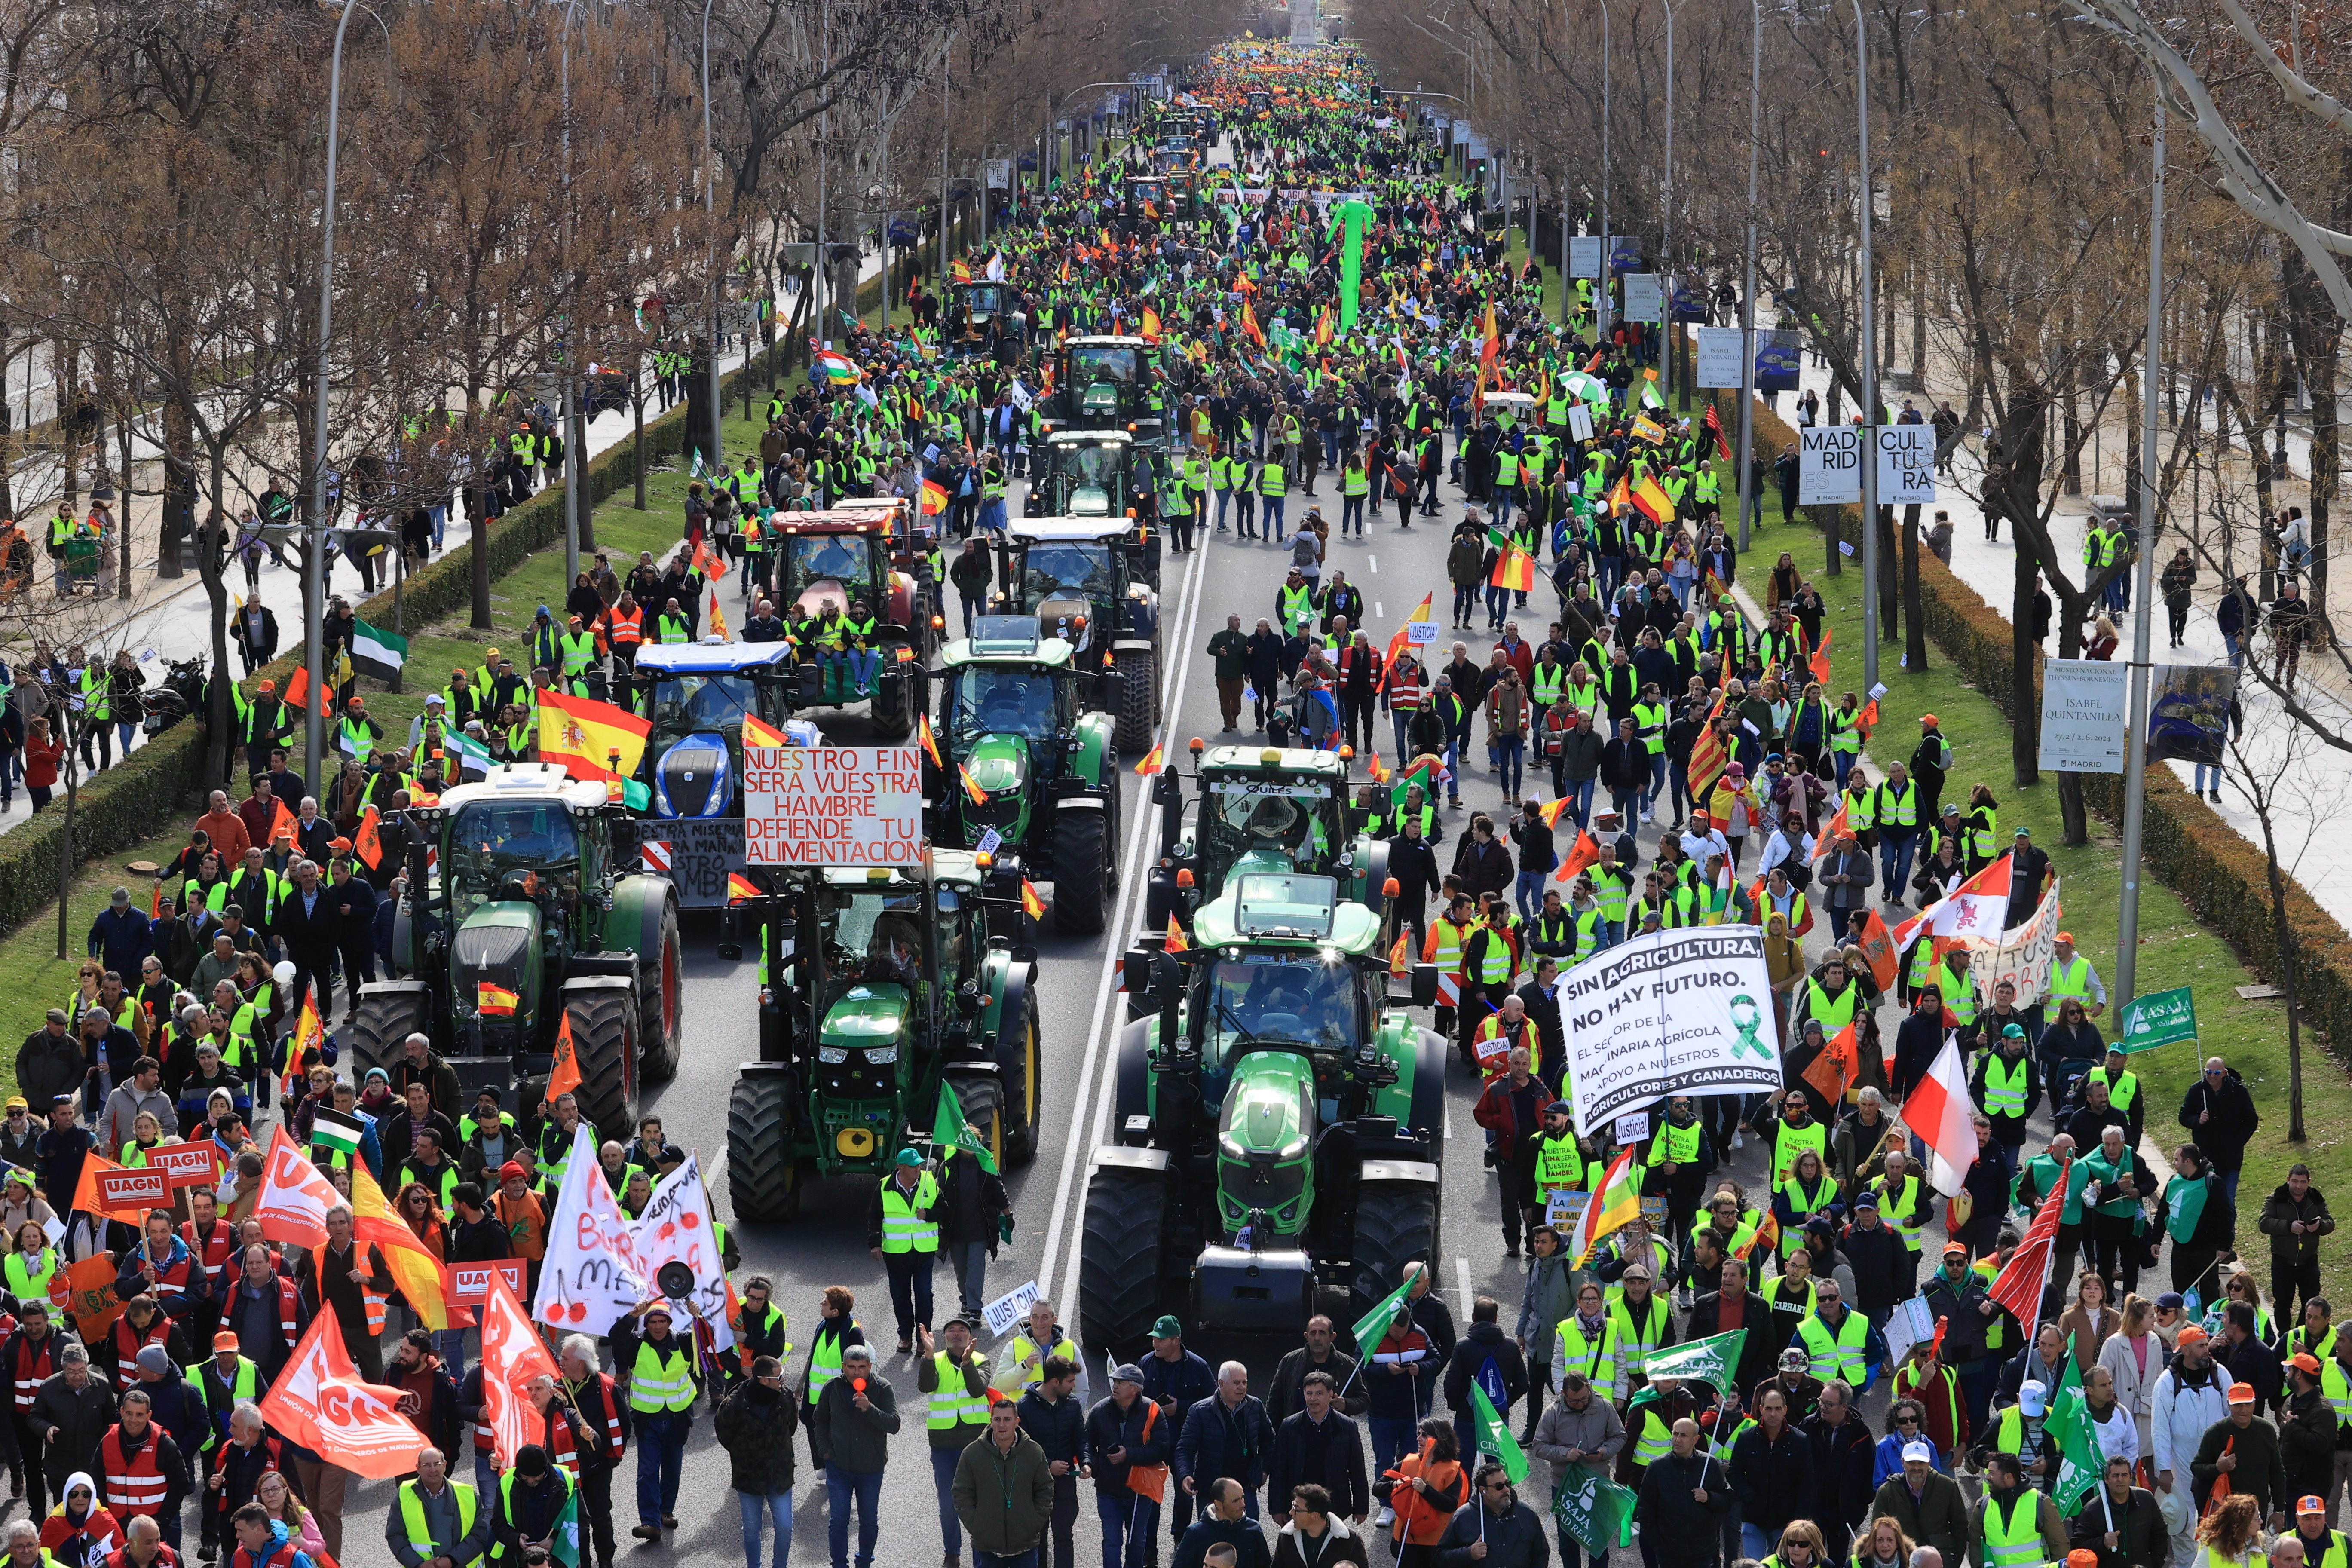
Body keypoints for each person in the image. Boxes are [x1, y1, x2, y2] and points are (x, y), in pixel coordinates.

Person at [620, 1302, 698, 1542]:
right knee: (648, 1471)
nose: (658, 1327)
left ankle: (666, 1511)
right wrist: (633, 1315)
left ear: (669, 1323)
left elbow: (708, 1340)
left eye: (662, 1321)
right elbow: (617, 1336)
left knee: (672, 1469)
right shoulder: (636, 1343)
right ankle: (650, 1522)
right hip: (647, 1420)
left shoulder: (683, 1341)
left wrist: (698, 1317)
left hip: (677, 1418)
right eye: (652, 1322)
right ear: (646, 1325)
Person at [920, 1315, 995, 1567]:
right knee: (947, 1505)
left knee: (979, 1502)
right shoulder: (934, 1359)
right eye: (951, 1330)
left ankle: (981, 1554)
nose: (956, 1334)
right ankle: (952, 1553)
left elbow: (977, 1390)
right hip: (943, 1445)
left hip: (976, 1446)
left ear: (970, 1337)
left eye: (962, 1330)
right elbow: (926, 1386)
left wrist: (967, 1364)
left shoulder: (980, 1360)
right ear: (944, 1338)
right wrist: (928, 1355)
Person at [814, 1344, 897, 1568]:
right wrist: (825, 1452)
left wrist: (870, 1409)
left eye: (862, 1367)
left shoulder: (882, 1388)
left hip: (871, 1469)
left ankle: (864, 1562)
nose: (857, 1372)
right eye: (851, 1367)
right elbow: (820, 1421)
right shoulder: (832, 1387)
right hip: (839, 1468)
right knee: (838, 1521)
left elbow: (894, 1424)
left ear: (870, 1366)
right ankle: (839, 1564)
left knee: (869, 1521)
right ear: (843, 1366)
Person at [1529, 1372, 1623, 1568]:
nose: (1580, 1404)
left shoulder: (1605, 1407)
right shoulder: (1553, 1412)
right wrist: (1565, 1453)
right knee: (1567, 1544)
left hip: (1598, 1486)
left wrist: (1604, 1452)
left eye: (1584, 1399)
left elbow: (1620, 1437)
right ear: (1564, 1394)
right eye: (1574, 1401)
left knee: (1598, 1544)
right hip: (1565, 1487)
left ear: (1589, 1389)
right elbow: (1539, 1446)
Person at [714, 1355, 798, 1568]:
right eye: (779, 1377)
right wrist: (744, 1454)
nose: (783, 1381)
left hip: (779, 1475)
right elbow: (724, 1433)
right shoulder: (735, 1404)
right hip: (749, 1476)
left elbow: (791, 1428)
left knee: (785, 1528)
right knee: (752, 1529)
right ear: (764, 1380)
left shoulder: (786, 1399)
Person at [952, 1395, 1055, 1568]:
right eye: (997, 1419)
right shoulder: (972, 1454)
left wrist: (1034, 1523)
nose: (1002, 1425)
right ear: (991, 1421)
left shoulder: (1034, 1452)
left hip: (1025, 1547)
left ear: (1017, 1422)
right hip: (987, 1548)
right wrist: (976, 1526)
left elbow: (1045, 1489)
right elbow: (961, 1492)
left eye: (1007, 1419)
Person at [1088, 1362, 1172, 1568]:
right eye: (1115, 1381)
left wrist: (1128, 1455)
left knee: (1136, 1541)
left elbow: (1161, 1449)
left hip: (1139, 1491)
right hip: (1108, 1489)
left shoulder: (1153, 1411)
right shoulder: (1100, 1410)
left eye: (1121, 1382)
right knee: (1111, 1540)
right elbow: (1087, 1443)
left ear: (1135, 1389)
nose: (1115, 1386)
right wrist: (1094, 1467)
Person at [1017, 1357, 1087, 1568]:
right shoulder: (1024, 1407)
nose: (1074, 1386)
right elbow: (1022, 1448)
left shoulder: (1072, 1404)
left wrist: (1086, 1462)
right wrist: (1048, 1465)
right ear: (1055, 1382)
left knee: (1064, 1537)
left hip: (1065, 1485)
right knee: (1038, 1539)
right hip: (1035, 1485)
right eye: (1070, 1381)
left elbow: (1081, 1438)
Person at [1633, 1418, 1730, 1568]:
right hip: (1669, 1552)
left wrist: (1709, 1498)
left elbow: (1726, 1501)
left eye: (1684, 1435)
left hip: (1702, 1552)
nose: (1678, 1439)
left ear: (1695, 1439)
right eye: (1675, 1434)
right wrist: (1658, 1544)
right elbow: (1645, 1509)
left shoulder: (1709, 1465)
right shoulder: (1658, 1467)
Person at [2192, 1382, 2289, 1521]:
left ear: (2254, 1404)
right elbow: (2196, 1468)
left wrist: (2279, 1510)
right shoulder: (2215, 1432)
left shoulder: (2266, 1430)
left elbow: (2277, 1471)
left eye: (2248, 1404)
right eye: (2238, 1405)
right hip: (2225, 1514)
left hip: (2256, 1512)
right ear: (2229, 1404)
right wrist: (2218, 1468)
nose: (2243, 1410)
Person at [1376, 1417, 1464, 1568]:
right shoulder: (1408, 1462)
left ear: (1439, 1439)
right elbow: (1377, 1488)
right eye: (1419, 1434)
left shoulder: (1452, 1470)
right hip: (1408, 1538)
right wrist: (1395, 1484)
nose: (1418, 1439)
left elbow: (1451, 1505)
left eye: (1424, 1435)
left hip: (1435, 1541)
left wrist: (1425, 1490)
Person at [387, 1445, 491, 1568]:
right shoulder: (404, 1493)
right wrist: (418, 1565)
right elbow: (395, 1536)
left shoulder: (467, 1494)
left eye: (437, 1464)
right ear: (418, 1468)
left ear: (445, 1465)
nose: (433, 1470)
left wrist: (451, 1560)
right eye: (427, 1465)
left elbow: (479, 1534)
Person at [1868, 1442, 1969, 1568]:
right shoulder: (1887, 1492)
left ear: (1929, 1463)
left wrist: (1955, 1560)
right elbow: (1877, 1530)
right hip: (1903, 1562)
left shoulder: (1948, 1486)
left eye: (1921, 1463)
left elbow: (1960, 1525)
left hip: (1939, 1562)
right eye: (1911, 1463)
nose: (1916, 1467)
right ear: (1903, 1463)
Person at [2179, 1059, 2261, 1206]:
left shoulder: (2238, 1091)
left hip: (2230, 1157)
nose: (2212, 1076)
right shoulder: (2197, 1090)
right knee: (2205, 1200)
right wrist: (2198, 1120)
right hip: (2204, 1157)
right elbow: (2183, 1116)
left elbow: (2251, 1120)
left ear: (2224, 1073)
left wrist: (2237, 1142)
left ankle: (2228, 1223)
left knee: (2227, 1199)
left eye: (2217, 1073)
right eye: (2208, 1072)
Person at [1435, 1461, 1548, 1568]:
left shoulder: (1526, 1514)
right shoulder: (1463, 1517)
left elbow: (1542, 1554)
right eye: (1499, 1487)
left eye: (1507, 1484)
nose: (1506, 1490)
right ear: (1483, 1490)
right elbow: (1440, 1556)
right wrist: (1468, 1553)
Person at [2263, 1164, 2335, 1327]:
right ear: (2288, 1180)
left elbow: (2330, 1222)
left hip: (2309, 1261)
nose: (2298, 1186)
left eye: (2303, 1182)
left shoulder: (2316, 1198)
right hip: (2282, 1261)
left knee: (2310, 1304)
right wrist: (2289, 1226)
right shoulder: (2276, 1198)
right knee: (2282, 1303)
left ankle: (2301, 1333)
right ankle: (2284, 1336)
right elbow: (2264, 1223)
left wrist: (2320, 1226)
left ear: (2309, 1182)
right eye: (2295, 1181)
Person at [2067, 1454, 2166, 1568]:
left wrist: (2155, 1564)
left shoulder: (2147, 1500)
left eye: (2124, 1475)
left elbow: (2160, 1534)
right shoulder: (2092, 1510)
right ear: (2106, 1479)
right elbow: (2077, 1546)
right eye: (2115, 1476)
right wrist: (2103, 1543)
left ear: (2131, 1478)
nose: (2120, 1480)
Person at [1271, 1483, 1369, 1568]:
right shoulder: (1286, 1537)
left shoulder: (1350, 1542)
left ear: (1315, 1515)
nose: (1291, 1512)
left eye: (1297, 1508)